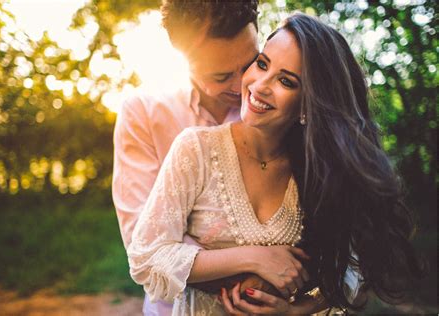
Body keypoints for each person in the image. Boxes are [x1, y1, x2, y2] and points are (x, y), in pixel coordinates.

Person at [128, 13, 425, 315]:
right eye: (262, 63)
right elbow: (147, 257)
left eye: (286, 81)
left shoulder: (319, 170)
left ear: (309, 103)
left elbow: (357, 265)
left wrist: (299, 310)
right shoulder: (195, 149)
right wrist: (254, 258)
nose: (260, 85)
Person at [113, 1, 305, 315]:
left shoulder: (279, 112)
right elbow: (143, 239)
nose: (244, 84)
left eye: (250, 63)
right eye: (220, 76)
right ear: (183, 58)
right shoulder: (144, 113)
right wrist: (256, 264)